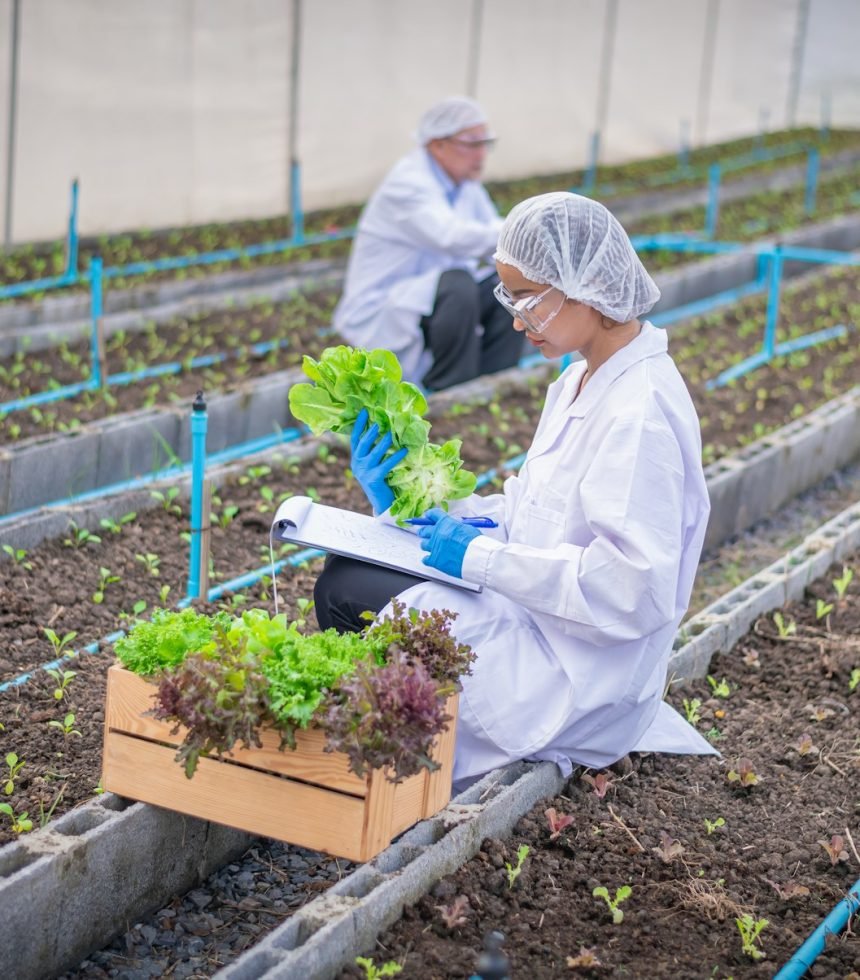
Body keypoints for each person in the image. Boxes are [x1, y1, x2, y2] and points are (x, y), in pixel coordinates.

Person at [315, 191, 717, 787]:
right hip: (540, 621)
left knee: (345, 592)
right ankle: (395, 750)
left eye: (528, 299)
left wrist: (480, 557)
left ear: (585, 286)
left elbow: (630, 591)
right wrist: (412, 502)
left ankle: (396, 772)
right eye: (511, 298)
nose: (514, 320)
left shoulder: (640, 413)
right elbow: (532, 510)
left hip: (576, 677)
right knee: (347, 571)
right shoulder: (583, 376)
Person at [332, 96, 524, 391]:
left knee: (509, 286)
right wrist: (522, 228)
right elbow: (451, 237)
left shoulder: (465, 186)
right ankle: (450, 392)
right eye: (472, 143)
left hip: (426, 299)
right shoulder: (407, 183)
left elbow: (494, 240)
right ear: (438, 144)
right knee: (457, 286)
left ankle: (492, 385)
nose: (481, 153)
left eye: (486, 143)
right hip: (384, 306)